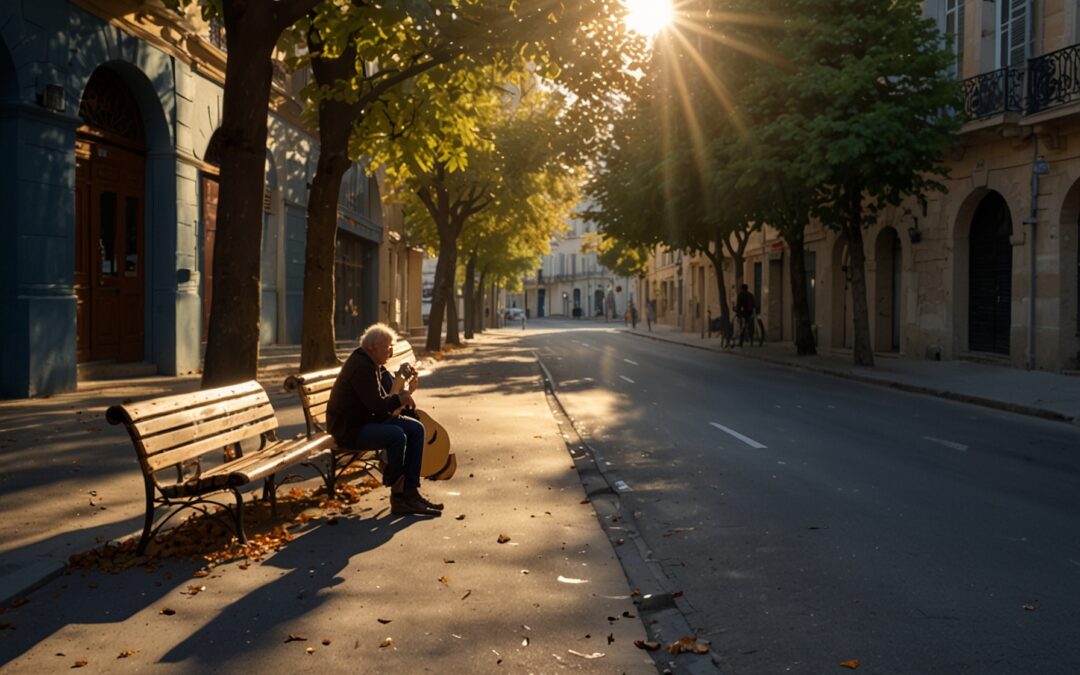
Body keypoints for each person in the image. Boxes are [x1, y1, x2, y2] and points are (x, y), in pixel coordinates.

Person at [326, 323, 443, 516]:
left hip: (367, 421)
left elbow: (387, 399)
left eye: (391, 346)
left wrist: (406, 392)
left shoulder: (374, 364)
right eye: (387, 347)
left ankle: (410, 493)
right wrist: (400, 398)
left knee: (416, 429)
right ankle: (398, 491)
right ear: (372, 347)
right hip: (349, 429)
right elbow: (377, 406)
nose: (390, 351)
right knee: (396, 435)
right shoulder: (361, 367)